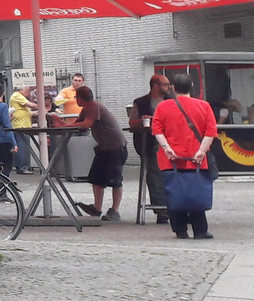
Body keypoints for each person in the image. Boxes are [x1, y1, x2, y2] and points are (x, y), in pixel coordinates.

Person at [151, 73, 217, 240]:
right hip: (197, 160)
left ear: (173, 87)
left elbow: (157, 129)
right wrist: (201, 151)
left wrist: (166, 148)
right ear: (192, 86)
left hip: (171, 160)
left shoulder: (163, 107)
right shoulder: (204, 106)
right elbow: (210, 132)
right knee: (195, 192)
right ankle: (200, 230)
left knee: (175, 193)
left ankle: (180, 230)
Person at [65, 85, 127, 221]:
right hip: (104, 148)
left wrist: (62, 125)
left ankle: (114, 210)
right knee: (97, 178)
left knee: (115, 179)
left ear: (79, 98)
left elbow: (86, 124)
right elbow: (78, 124)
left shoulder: (94, 106)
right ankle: (97, 208)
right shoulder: (87, 108)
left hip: (116, 147)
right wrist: (63, 125)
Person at [132, 75, 172, 223]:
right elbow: (132, 122)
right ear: (156, 86)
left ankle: (173, 207)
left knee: (170, 175)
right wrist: (142, 121)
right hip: (149, 142)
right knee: (154, 175)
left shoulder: (172, 102)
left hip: (171, 142)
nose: (169, 87)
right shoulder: (141, 102)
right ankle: (162, 210)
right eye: (165, 84)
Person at [8, 88, 36, 172]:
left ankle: (22, 166)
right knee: (22, 147)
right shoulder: (17, 96)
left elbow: (28, 112)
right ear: (22, 90)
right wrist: (42, 106)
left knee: (22, 147)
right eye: (27, 92)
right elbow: (31, 105)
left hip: (23, 125)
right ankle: (22, 167)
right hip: (21, 126)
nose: (28, 94)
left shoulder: (19, 100)